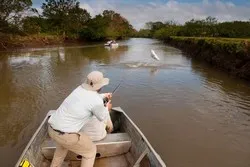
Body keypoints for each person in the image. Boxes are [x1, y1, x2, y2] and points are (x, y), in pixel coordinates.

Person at [48, 71, 112, 167]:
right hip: (66, 136)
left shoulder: (79, 89)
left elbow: (89, 98)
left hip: (52, 129)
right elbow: (102, 117)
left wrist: (104, 96)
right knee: (90, 152)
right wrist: (107, 108)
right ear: (100, 86)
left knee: (61, 149)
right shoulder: (96, 100)